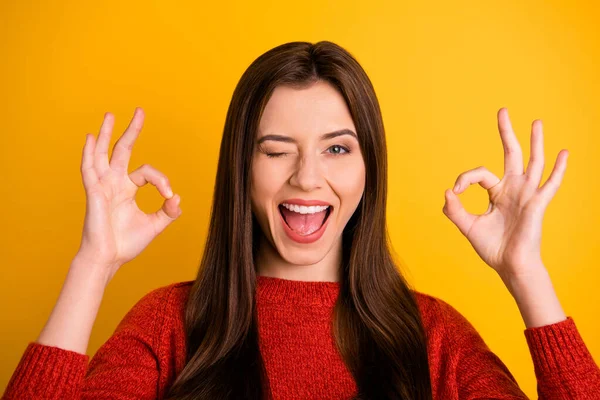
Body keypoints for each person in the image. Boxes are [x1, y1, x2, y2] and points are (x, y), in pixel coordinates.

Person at [3, 41, 599, 400]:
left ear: (370, 168)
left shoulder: (435, 337)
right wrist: (92, 265)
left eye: (337, 148)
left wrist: (527, 275)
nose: (308, 178)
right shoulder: (168, 326)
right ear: (242, 167)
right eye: (275, 149)